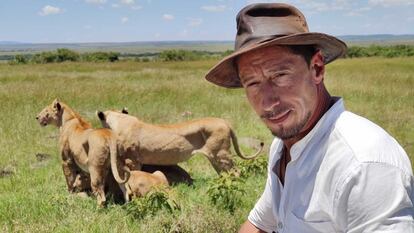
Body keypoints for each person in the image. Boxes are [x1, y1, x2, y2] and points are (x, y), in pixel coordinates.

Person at [205, 3, 414, 233]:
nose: (268, 102)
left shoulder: (364, 165)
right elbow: (260, 223)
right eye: (252, 83)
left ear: (316, 68)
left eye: (280, 76)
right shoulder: (283, 147)